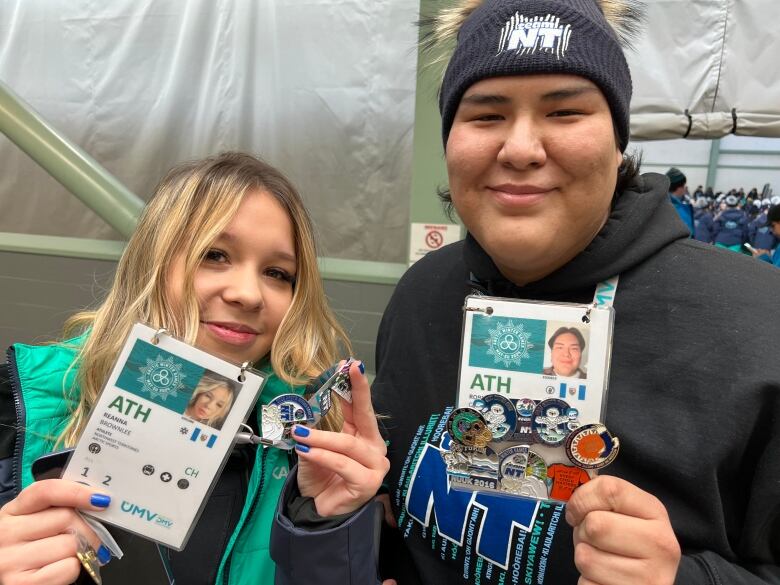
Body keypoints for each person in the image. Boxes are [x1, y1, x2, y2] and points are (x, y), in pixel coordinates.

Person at [271, 1, 780, 584]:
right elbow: (394, 519)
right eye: (485, 115)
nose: (519, 149)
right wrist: (338, 519)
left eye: (564, 111)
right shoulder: (423, 297)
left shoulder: (760, 324)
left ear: (618, 142)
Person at [0, 152, 359, 585]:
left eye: (278, 273)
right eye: (214, 254)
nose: (248, 294)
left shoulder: (315, 442)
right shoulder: (17, 408)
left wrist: (327, 527)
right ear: (151, 262)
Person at [666, 167, 694, 235]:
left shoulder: (661, 204)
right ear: (679, 188)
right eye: (684, 186)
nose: (685, 189)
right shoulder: (678, 210)